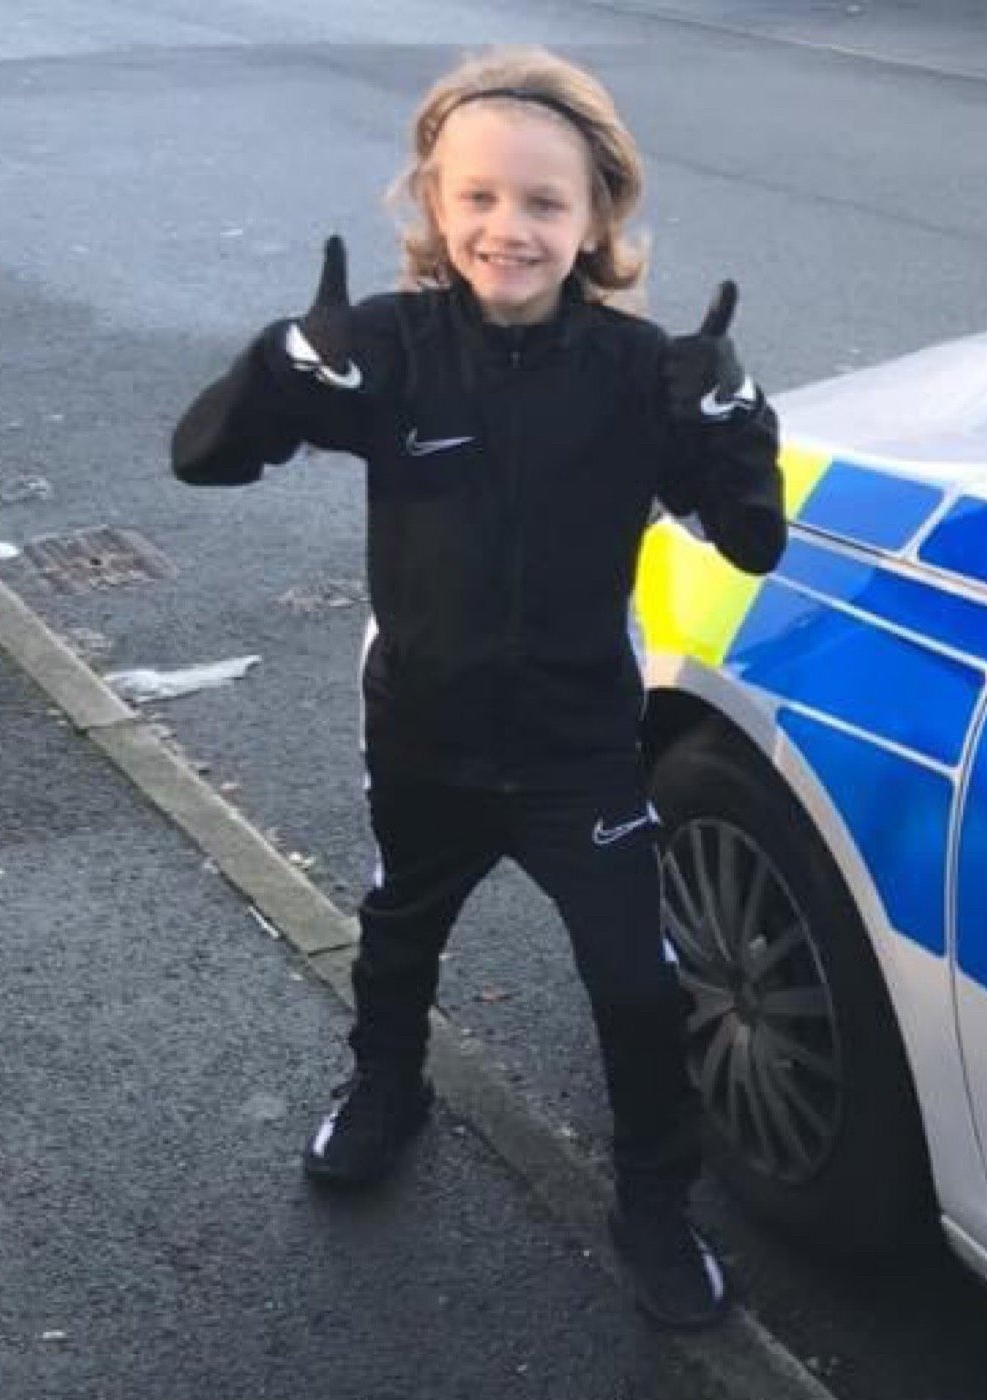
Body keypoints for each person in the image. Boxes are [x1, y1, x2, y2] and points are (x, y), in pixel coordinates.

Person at [169, 46, 785, 1330]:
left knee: (636, 984)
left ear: (597, 219)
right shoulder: (388, 350)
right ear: (434, 207)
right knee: (398, 933)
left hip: (578, 753)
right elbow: (205, 461)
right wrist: (283, 363)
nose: (510, 228)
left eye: (545, 205)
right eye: (479, 199)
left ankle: (653, 1203)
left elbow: (751, 539)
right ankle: (388, 1089)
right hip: (425, 736)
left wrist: (736, 425)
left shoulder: (636, 372)